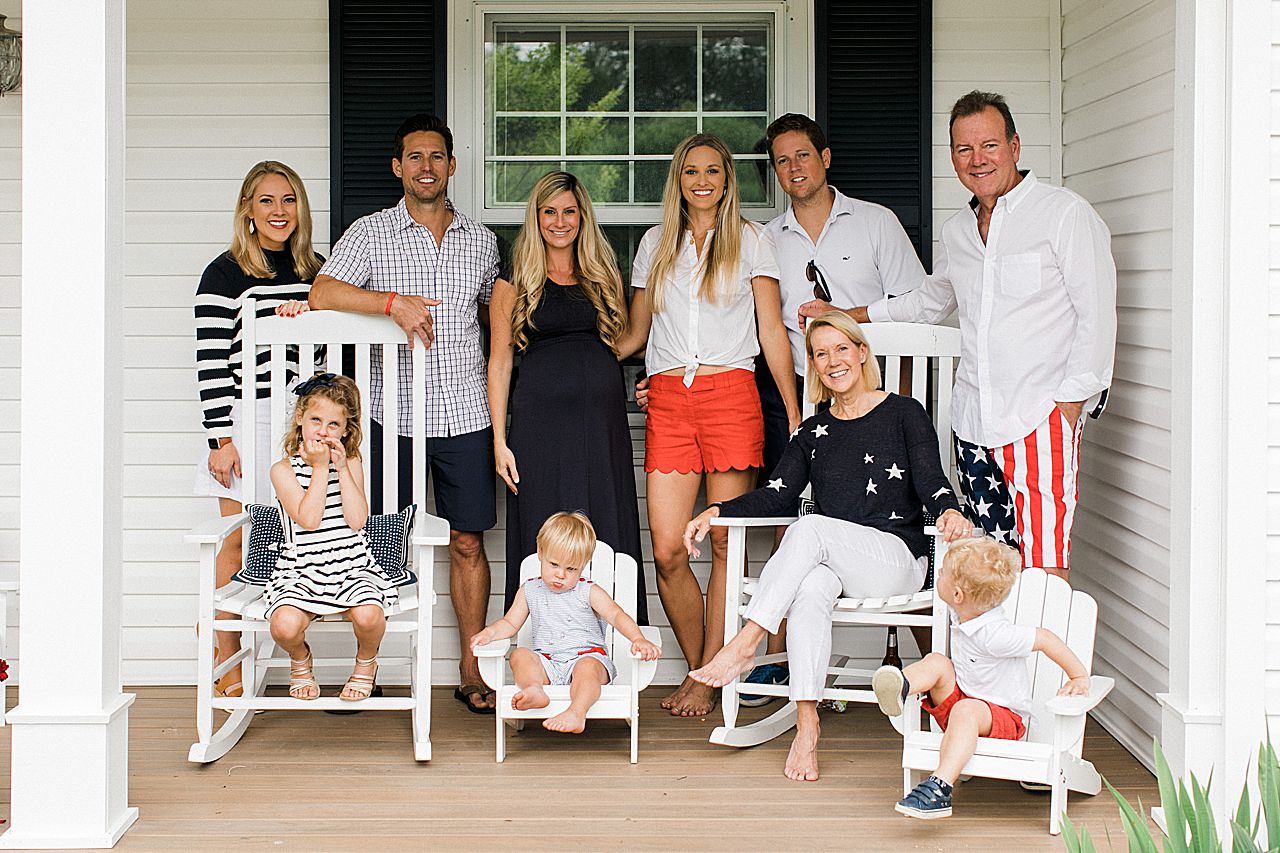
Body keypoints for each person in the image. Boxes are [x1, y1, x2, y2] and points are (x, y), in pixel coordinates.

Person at [684, 312, 972, 782]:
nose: (832, 361)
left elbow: (932, 482)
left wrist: (950, 512)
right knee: (813, 586)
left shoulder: (904, 412)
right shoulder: (814, 430)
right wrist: (718, 511)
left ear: (861, 353)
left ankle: (745, 643)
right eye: (820, 354)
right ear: (814, 366)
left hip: (897, 559)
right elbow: (777, 494)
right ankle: (807, 725)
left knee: (812, 527)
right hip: (836, 561)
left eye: (842, 349)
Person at [852, 91, 1117, 581]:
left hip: (1040, 419)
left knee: (1044, 567)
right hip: (973, 426)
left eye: (990, 145)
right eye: (963, 149)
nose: (977, 160)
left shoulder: (1063, 214)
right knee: (986, 571)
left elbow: (1097, 315)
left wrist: (1070, 406)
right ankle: (996, 662)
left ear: (1015, 146)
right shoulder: (958, 231)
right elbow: (931, 300)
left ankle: (1049, 663)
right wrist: (850, 314)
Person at [308, 114, 503, 713]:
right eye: (414, 157)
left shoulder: (481, 240)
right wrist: (390, 302)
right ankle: (377, 668)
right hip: (390, 413)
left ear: (452, 166)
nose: (426, 167)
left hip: (466, 409)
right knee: (379, 543)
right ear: (398, 167)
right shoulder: (371, 234)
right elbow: (323, 292)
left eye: (436, 156)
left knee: (468, 542)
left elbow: (499, 315)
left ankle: (473, 672)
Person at [614, 133, 800, 717]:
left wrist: (794, 414)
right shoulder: (654, 244)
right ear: (678, 179)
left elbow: (772, 330)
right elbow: (635, 334)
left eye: (713, 171)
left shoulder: (752, 240)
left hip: (731, 395)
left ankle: (704, 677)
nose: (702, 180)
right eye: (691, 171)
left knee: (725, 541)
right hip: (669, 398)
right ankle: (707, 667)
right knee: (669, 549)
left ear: (727, 179)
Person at [744, 113, 928, 702]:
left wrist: (853, 323)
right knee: (787, 512)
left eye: (802, 155)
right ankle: (779, 664)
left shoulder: (874, 223)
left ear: (826, 157)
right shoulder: (766, 238)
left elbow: (920, 302)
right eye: (781, 161)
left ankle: (928, 667)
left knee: (875, 513)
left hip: (869, 397)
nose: (793, 168)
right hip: (791, 393)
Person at [193, 160, 323, 701]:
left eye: (288, 200)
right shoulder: (223, 273)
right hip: (243, 420)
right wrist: (220, 441)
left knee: (295, 533)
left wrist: (307, 319)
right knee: (241, 538)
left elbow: (324, 358)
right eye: (266, 200)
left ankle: (289, 650)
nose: (278, 211)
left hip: (294, 417)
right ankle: (224, 651)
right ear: (247, 208)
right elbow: (209, 360)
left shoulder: (317, 268)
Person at [488, 172, 645, 620]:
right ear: (536, 218)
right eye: (549, 212)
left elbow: (628, 339)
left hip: (602, 424)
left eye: (569, 211)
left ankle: (613, 646)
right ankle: (535, 647)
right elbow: (499, 362)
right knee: (543, 524)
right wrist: (500, 440)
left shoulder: (602, 273)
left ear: (583, 216)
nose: (560, 222)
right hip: (539, 426)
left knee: (605, 521)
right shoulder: (514, 279)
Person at [871, 536, 1090, 819]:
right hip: (965, 701)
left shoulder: (996, 634)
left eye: (942, 574)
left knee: (966, 709)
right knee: (938, 662)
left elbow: (1045, 639)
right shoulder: (962, 610)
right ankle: (900, 686)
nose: (938, 575)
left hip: (1003, 719)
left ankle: (940, 788)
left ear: (958, 595)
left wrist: (1079, 676)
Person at [265, 373, 397, 701]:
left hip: (350, 562)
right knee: (284, 626)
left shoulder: (350, 461)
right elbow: (309, 520)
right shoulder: (282, 470)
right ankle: (300, 660)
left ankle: (366, 663)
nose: (323, 431)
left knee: (370, 615)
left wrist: (339, 469)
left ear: (346, 429)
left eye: (333, 425)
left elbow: (356, 520)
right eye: (315, 420)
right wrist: (320, 468)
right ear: (300, 419)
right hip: (302, 566)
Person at [470, 512, 661, 733]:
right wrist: (490, 633)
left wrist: (638, 638)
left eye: (571, 569)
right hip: (548, 664)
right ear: (540, 553)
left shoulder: (588, 591)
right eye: (554, 564)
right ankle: (534, 689)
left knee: (587, 667)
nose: (560, 575)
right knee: (519, 655)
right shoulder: (530, 590)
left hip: (587, 659)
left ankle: (577, 713)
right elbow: (510, 623)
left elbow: (617, 615)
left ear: (583, 565)